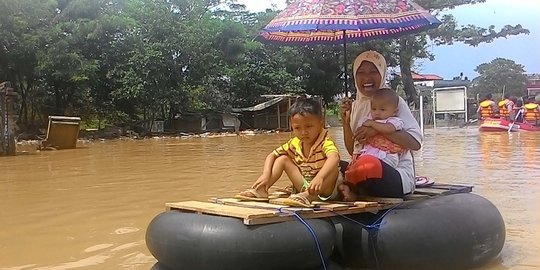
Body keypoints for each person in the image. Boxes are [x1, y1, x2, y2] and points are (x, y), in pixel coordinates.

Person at [339, 50, 422, 199]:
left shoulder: (394, 102)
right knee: (331, 164)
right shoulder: (356, 105)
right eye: (361, 73)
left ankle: (353, 191)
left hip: (396, 173)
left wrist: (377, 130)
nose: (367, 78)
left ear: (382, 73)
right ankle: (353, 190)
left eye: (373, 72)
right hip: (363, 167)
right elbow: (353, 150)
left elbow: (415, 143)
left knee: (368, 165)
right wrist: (345, 122)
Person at [234, 97, 342, 207]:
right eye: (297, 128)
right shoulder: (294, 143)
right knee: (282, 159)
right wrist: (265, 175)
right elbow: (271, 155)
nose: (303, 132)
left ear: (320, 123)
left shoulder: (325, 141)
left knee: (334, 169)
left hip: (326, 188)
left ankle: (308, 196)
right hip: (306, 184)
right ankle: (262, 189)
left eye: (309, 126)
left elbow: (334, 157)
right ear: (292, 127)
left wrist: (320, 177)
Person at [345, 88, 406, 184]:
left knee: (369, 167)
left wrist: (373, 125)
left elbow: (389, 129)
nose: (377, 112)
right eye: (374, 109)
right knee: (353, 167)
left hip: (386, 156)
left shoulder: (394, 121)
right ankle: (351, 185)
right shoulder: (369, 120)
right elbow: (359, 138)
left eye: (382, 109)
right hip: (369, 153)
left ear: (394, 111)